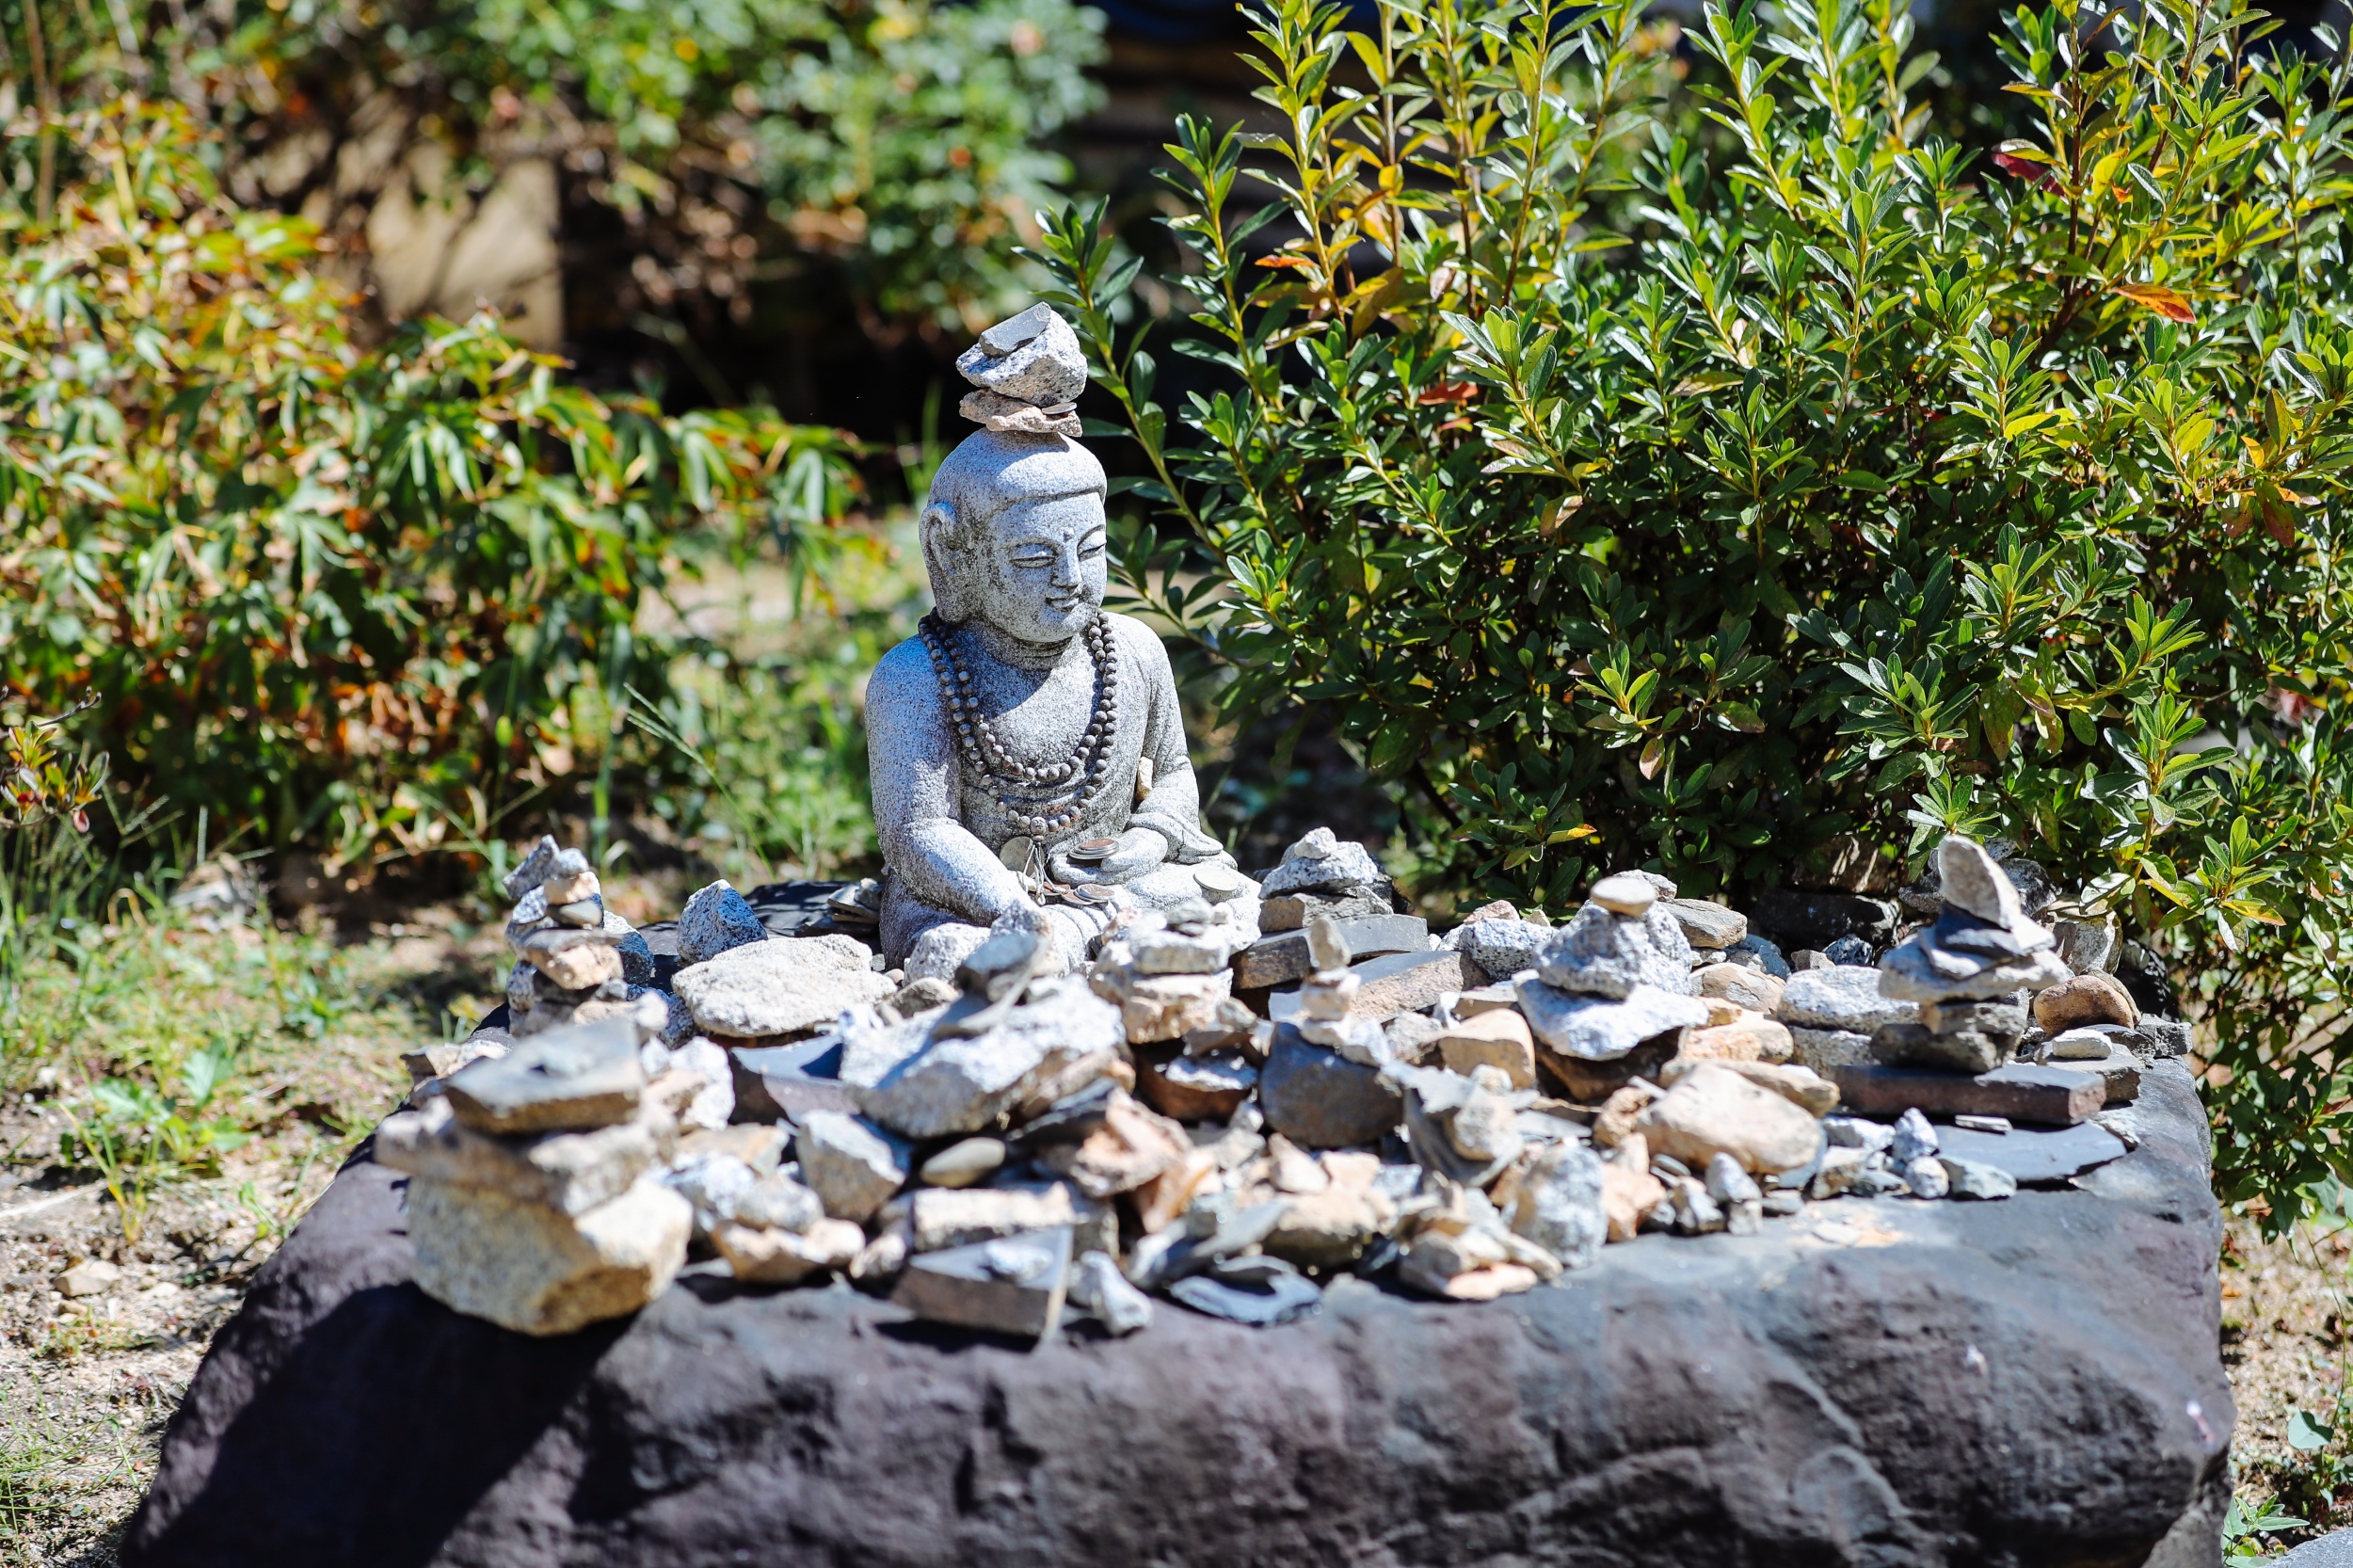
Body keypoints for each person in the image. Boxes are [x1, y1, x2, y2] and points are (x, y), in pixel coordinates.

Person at [866, 428, 1250, 976]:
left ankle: (1079, 939)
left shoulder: (1134, 650)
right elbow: (919, 832)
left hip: (1120, 884)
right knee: (958, 950)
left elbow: (1174, 771)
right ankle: (1082, 941)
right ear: (952, 552)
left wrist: (1148, 838)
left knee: (1221, 889)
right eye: (1033, 556)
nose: (1070, 579)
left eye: (1090, 549)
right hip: (976, 903)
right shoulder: (914, 677)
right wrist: (1014, 907)